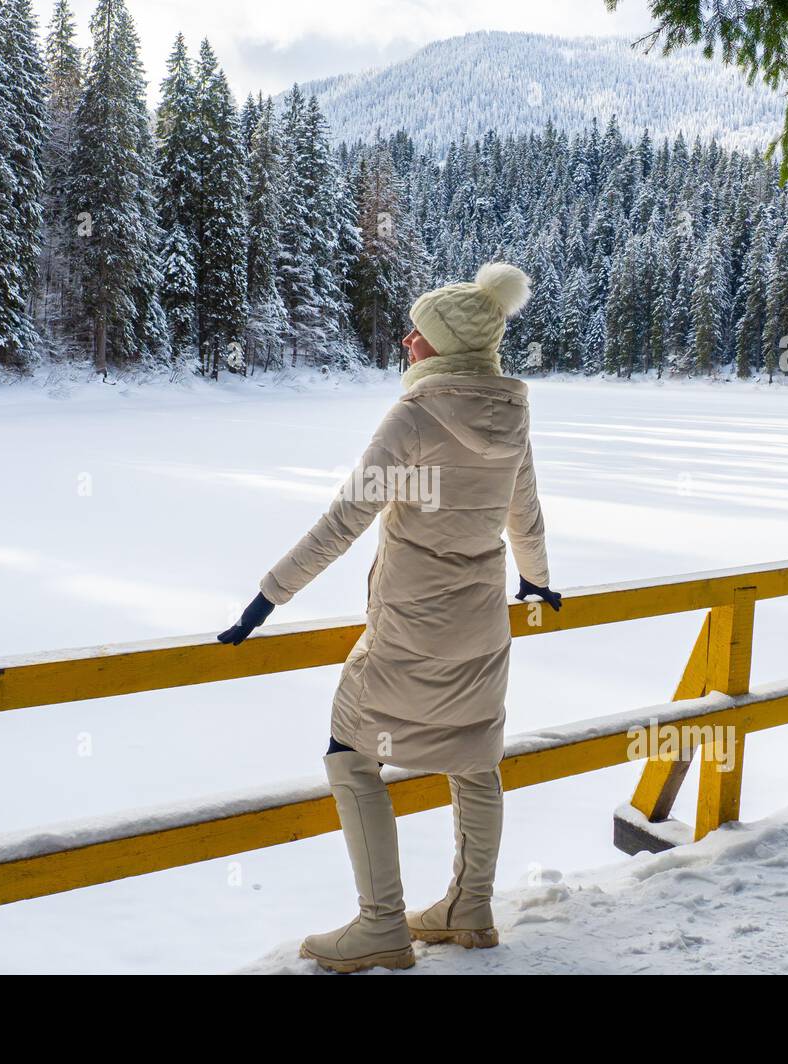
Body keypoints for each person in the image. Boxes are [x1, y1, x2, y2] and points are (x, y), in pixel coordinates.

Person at [218, 262, 561, 973]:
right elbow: (522, 511)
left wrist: (266, 599)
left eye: (420, 334)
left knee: (351, 751)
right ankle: (470, 909)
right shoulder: (511, 411)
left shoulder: (414, 416)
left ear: (444, 348)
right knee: (474, 756)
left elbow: (345, 521)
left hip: (409, 624)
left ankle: (381, 924)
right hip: (481, 623)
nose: (407, 340)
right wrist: (538, 580)